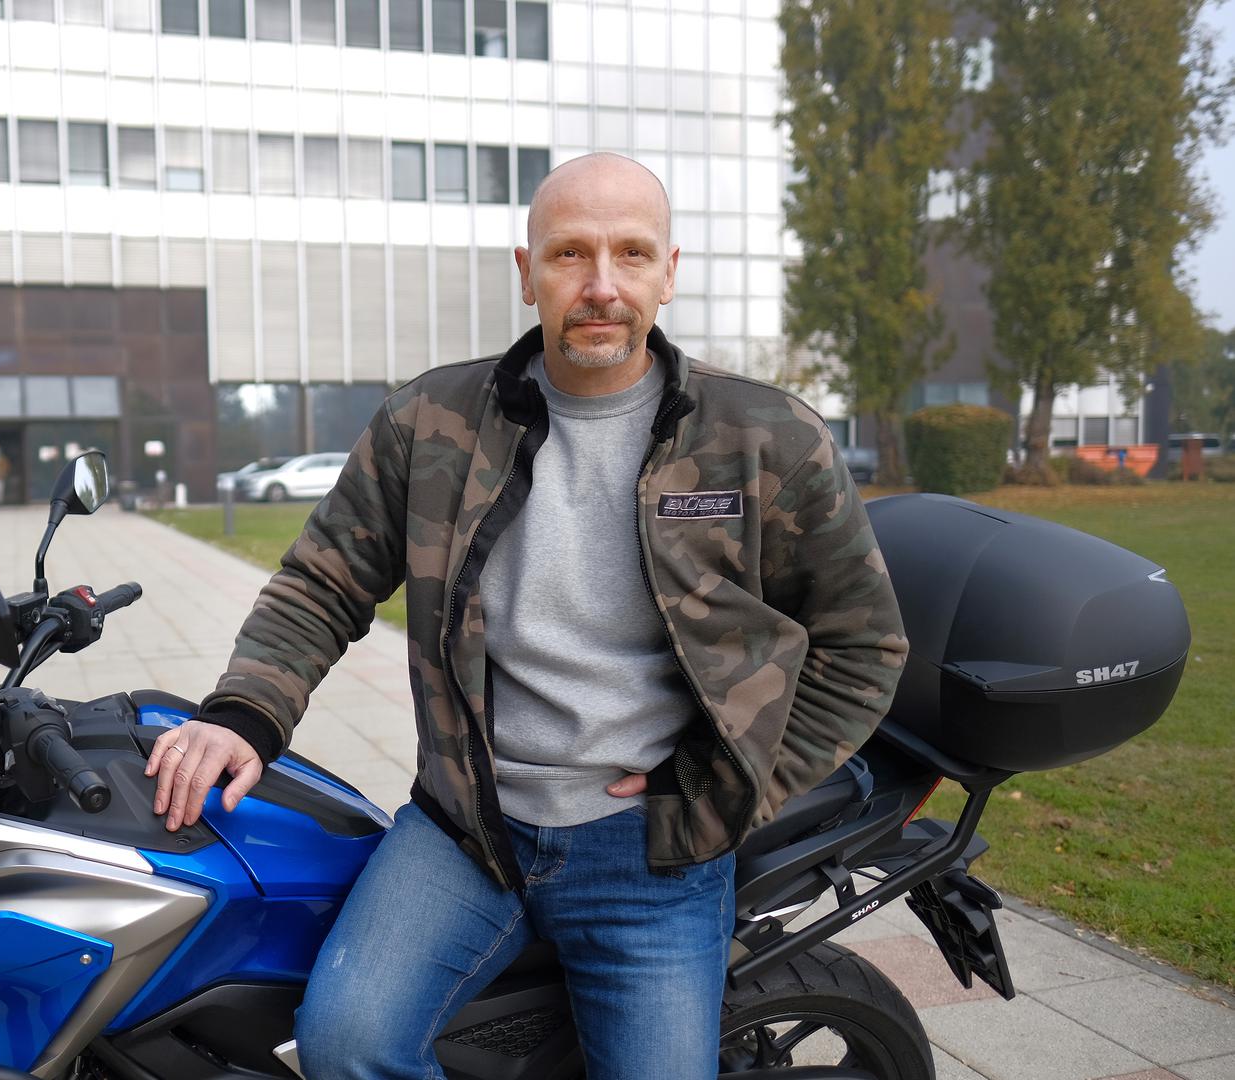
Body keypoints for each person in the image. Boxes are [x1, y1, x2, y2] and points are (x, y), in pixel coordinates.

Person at [144, 152, 909, 1078]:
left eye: (631, 254)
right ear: (526, 271)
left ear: (668, 273)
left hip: (654, 852)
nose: (601, 286)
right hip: (467, 828)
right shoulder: (428, 422)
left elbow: (862, 644)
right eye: (569, 253)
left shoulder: (764, 437)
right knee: (344, 1044)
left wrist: (723, 780)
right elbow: (322, 581)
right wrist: (242, 715)